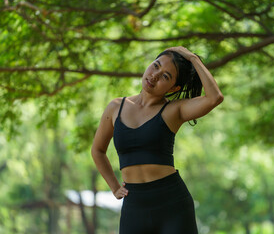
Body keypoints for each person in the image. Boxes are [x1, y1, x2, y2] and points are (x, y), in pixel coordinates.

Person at [91, 46, 223, 234]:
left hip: (172, 203)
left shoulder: (174, 110)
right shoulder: (116, 107)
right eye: (156, 66)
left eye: (165, 77)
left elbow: (214, 98)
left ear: (174, 88)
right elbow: (97, 150)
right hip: (134, 204)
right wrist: (114, 187)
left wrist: (193, 58)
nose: (154, 75)